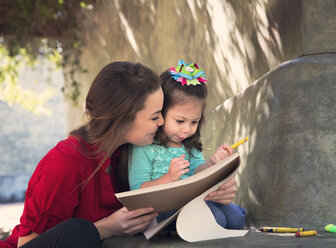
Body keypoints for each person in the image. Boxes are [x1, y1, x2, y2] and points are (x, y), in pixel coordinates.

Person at [1, 61, 239, 248]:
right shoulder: (65, 164)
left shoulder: (128, 150)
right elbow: (29, 244)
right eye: (155, 116)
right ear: (122, 120)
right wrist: (106, 228)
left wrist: (212, 187)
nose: (162, 122)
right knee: (79, 230)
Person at [128, 60, 246, 230]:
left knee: (237, 217)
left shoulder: (188, 145)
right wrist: (168, 178)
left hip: (194, 203)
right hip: (163, 210)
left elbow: (197, 171)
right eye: (180, 121)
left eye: (194, 122)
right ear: (161, 111)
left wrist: (213, 163)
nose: (187, 129)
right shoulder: (144, 146)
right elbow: (137, 191)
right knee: (218, 219)